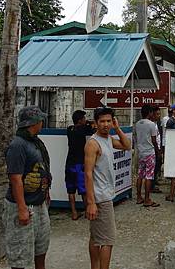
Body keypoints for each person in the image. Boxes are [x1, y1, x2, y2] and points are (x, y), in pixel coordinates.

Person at [4, 106, 51, 269]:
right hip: (25, 204)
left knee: (41, 247)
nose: (42, 122)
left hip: (39, 203)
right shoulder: (18, 145)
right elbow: (15, 179)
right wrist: (22, 208)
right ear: (33, 123)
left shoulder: (36, 142)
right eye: (40, 120)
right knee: (20, 253)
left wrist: (46, 193)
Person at [84, 107, 132, 269]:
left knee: (96, 237)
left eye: (109, 121)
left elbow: (127, 145)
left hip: (103, 195)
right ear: (96, 123)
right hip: (100, 198)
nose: (106, 124)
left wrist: (117, 128)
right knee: (107, 240)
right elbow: (88, 174)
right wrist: (91, 202)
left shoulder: (108, 139)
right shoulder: (92, 143)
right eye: (102, 121)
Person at [65, 110, 94, 220]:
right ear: (80, 120)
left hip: (69, 163)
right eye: (84, 118)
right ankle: (87, 211)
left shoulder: (69, 129)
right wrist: (89, 123)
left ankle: (74, 213)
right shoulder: (83, 129)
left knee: (70, 190)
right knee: (83, 190)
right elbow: (92, 129)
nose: (85, 120)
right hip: (80, 164)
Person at [134, 105, 160, 207]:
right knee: (149, 176)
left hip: (141, 153)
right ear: (149, 112)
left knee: (140, 175)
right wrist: (158, 151)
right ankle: (147, 199)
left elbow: (136, 138)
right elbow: (154, 140)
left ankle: (139, 197)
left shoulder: (137, 124)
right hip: (149, 153)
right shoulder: (151, 124)